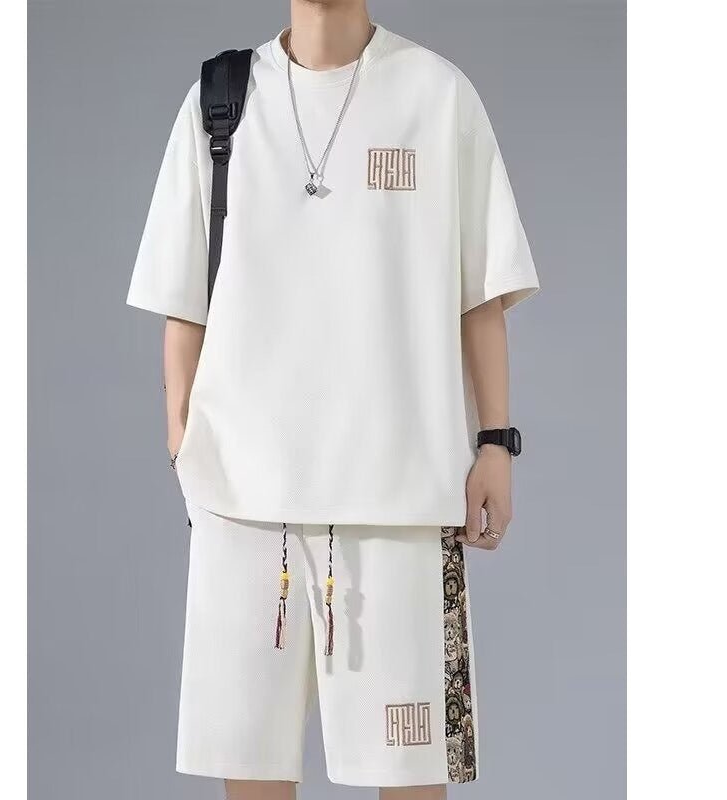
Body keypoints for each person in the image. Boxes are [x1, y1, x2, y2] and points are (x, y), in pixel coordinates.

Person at [127, 1, 539, 797]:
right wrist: (184, 443)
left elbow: (480, 289)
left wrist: (496, 442)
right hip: (243, 501)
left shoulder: (437, 94)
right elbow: (184, 297)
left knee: (413, 771)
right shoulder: (220, 100)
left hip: (400, 501)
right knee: (251, 775)